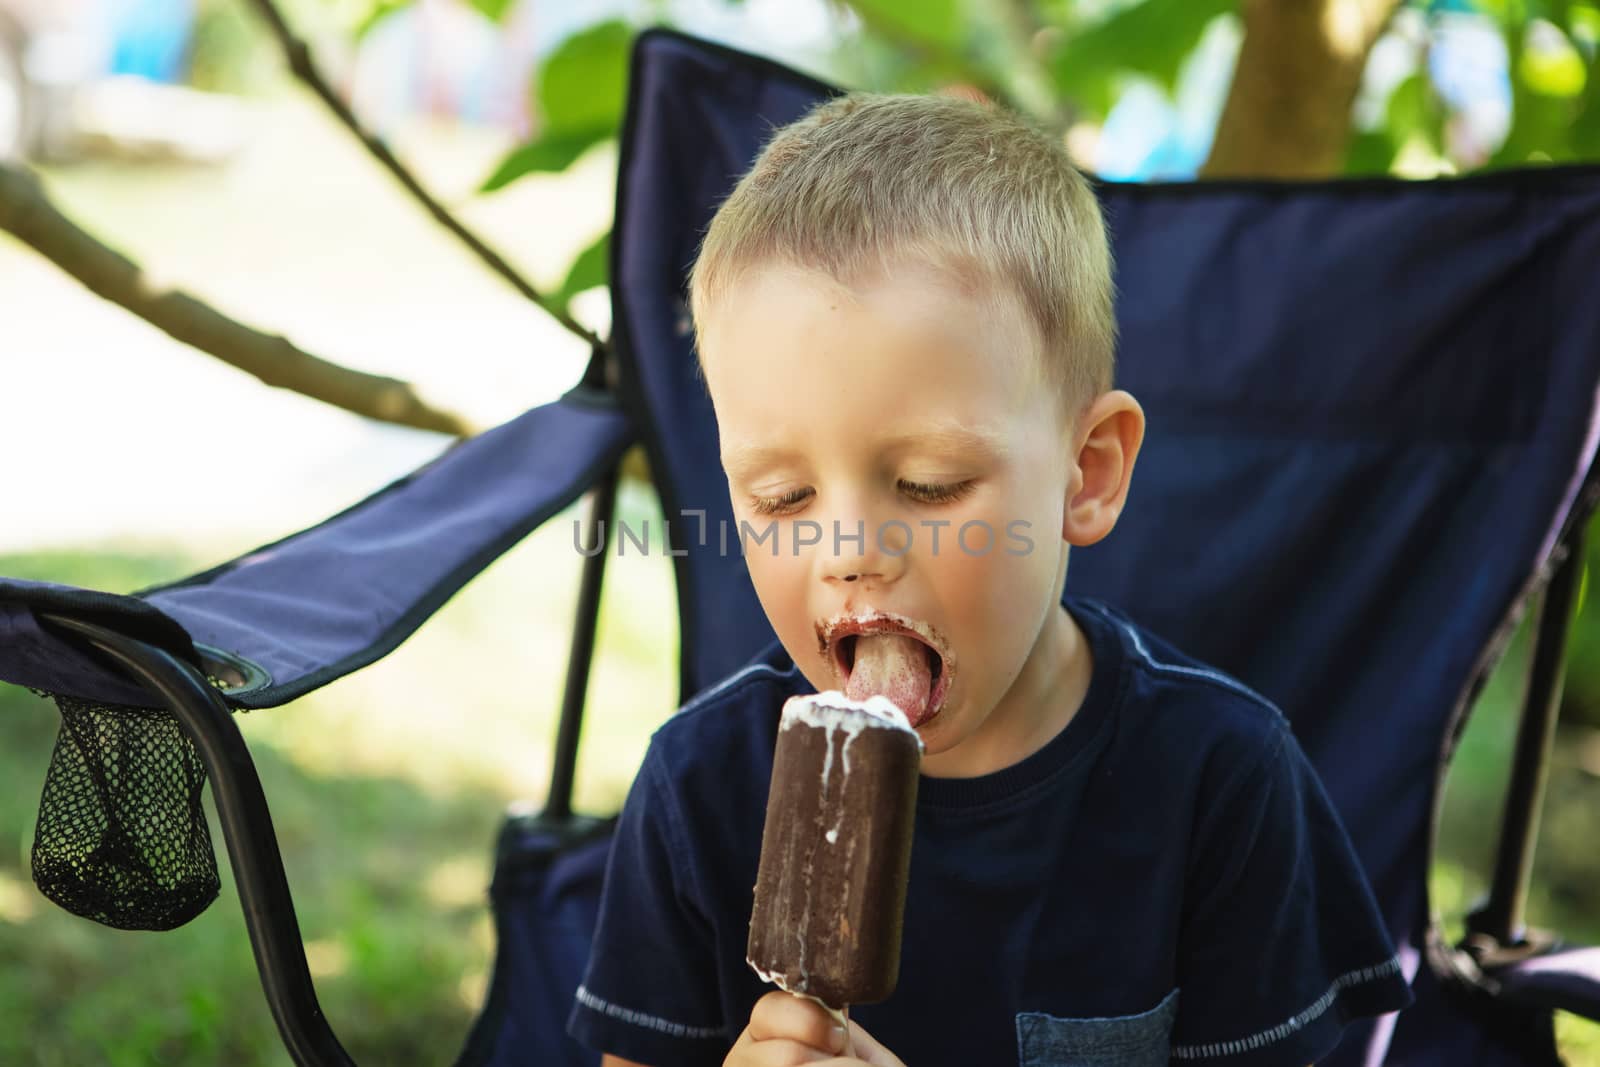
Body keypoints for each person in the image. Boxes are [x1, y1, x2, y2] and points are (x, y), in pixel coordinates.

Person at [566, 92, 1413, 1067]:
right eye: (782, 493)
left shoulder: (1222, 783)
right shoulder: (702, 789)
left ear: (1085, 472)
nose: (847, 547)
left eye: (930, 483)